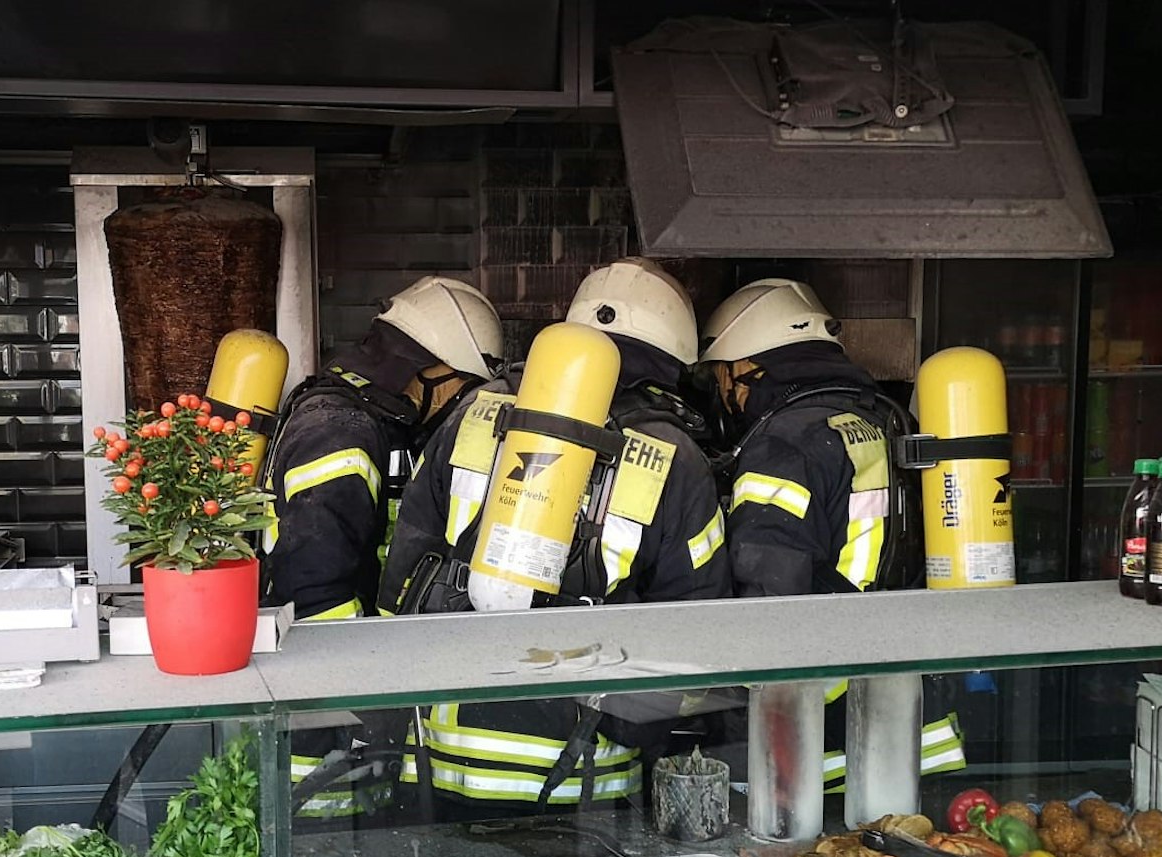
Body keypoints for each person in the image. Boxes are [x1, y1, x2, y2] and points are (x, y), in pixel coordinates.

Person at [379, 257, 732, 820]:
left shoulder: (473, 413)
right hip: (583, 782)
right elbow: (698, 620)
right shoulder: (674, 455)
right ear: (671, 352)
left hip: (447, 760)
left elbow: (405, 570)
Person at [698, 277, 965, 789]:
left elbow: (767, 605)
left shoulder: (784, 444)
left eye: (719, 377)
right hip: (917, 732)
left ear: (746, 369)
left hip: (826, 754)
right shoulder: (888, 419)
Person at [263, 275, 504, 823]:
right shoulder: (342, 431)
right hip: (323, 736)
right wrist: (369, 703)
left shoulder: (359, 416)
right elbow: (316, 587)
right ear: (432, 371)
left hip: (340, 720)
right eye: (463, 389)